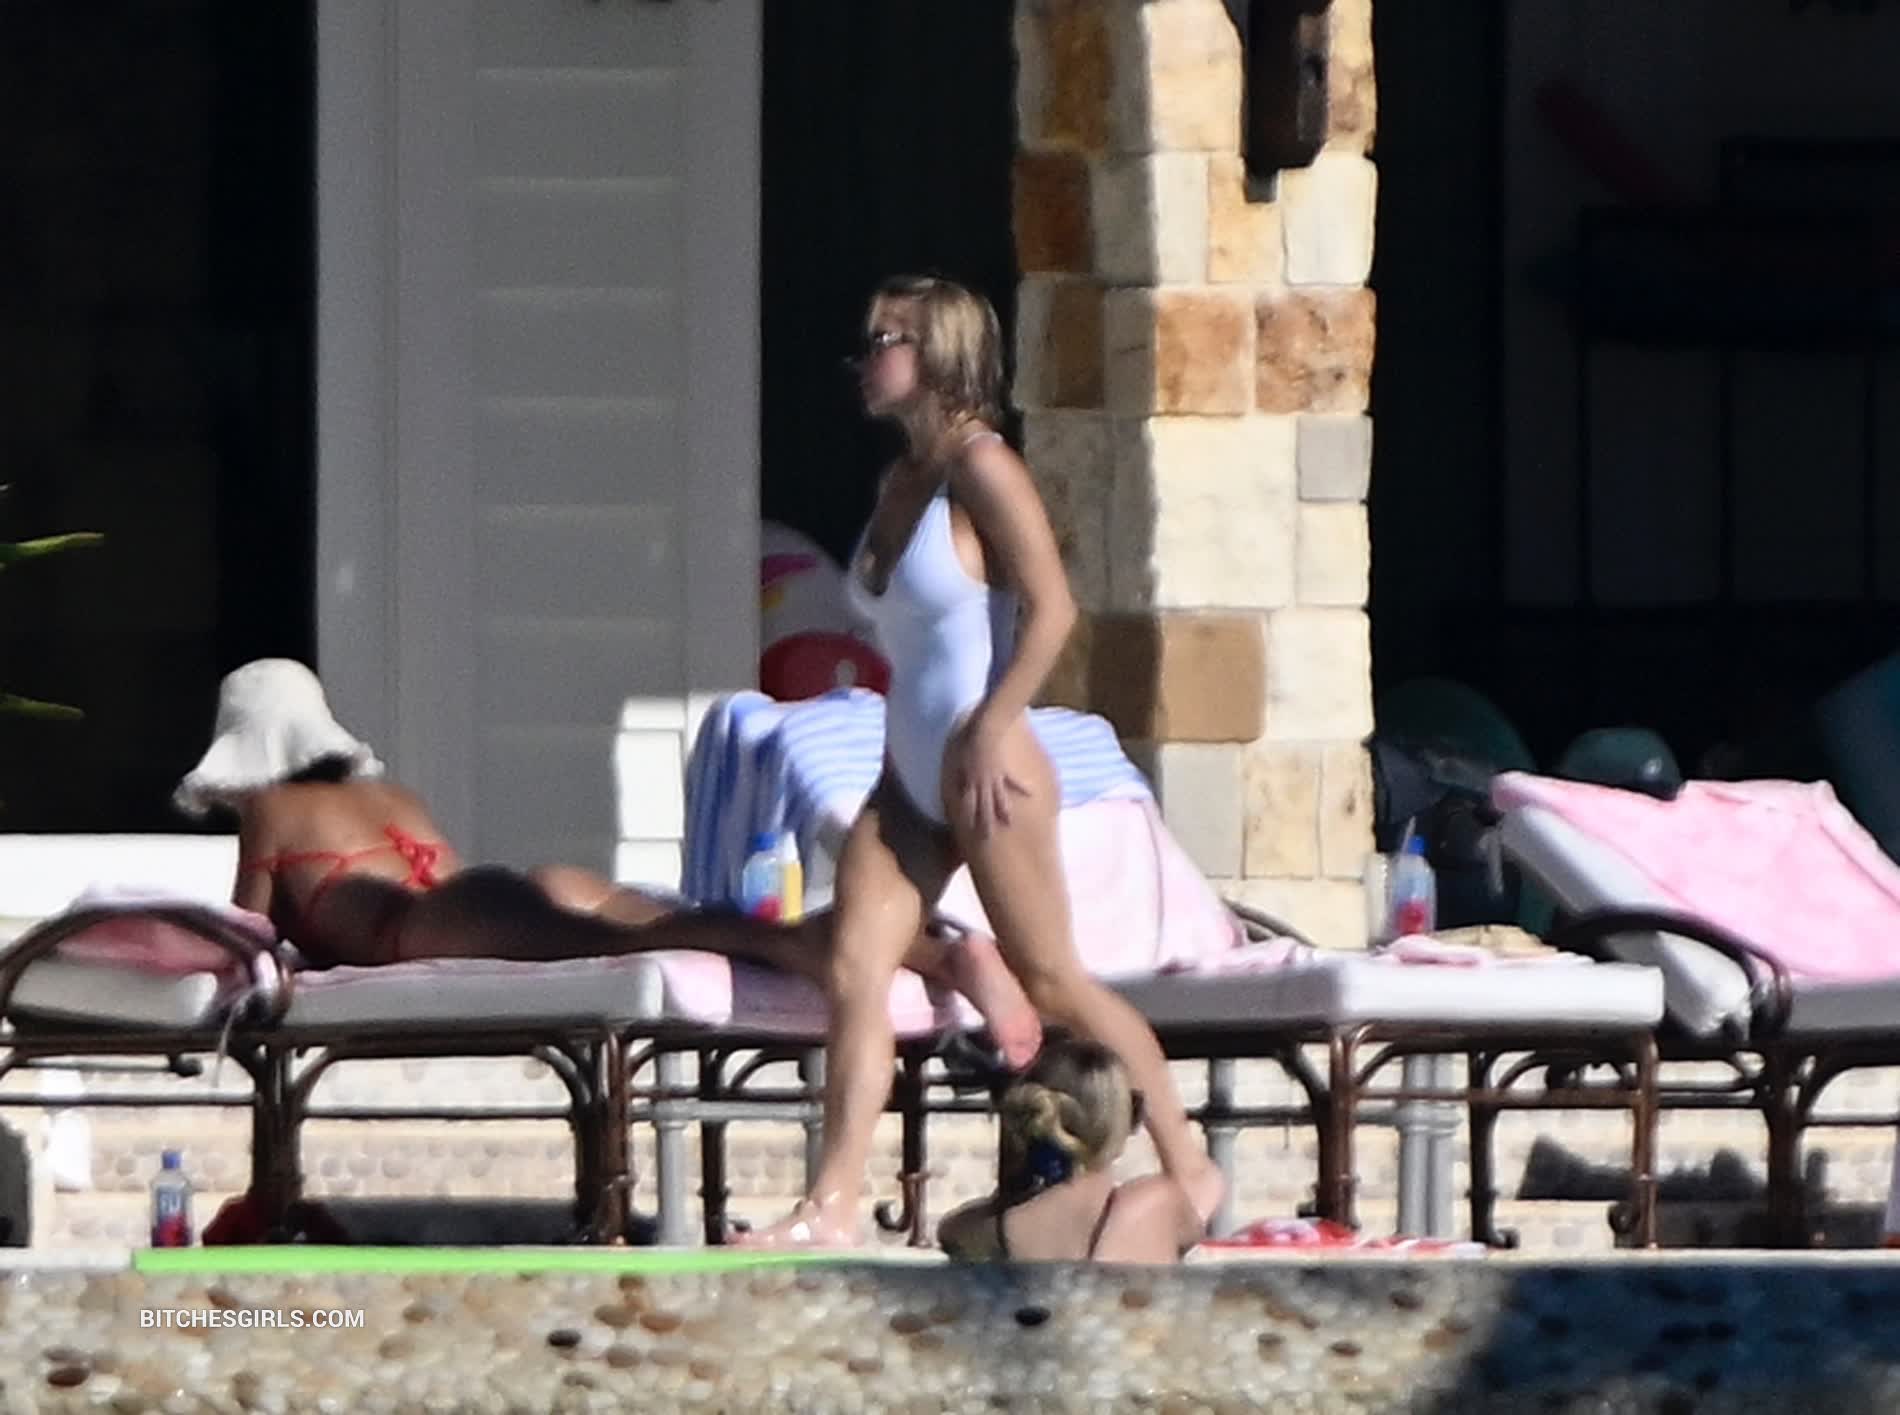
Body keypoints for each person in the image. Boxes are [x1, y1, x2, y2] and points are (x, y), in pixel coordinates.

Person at [739, 275, 1222, 1248]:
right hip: (908, 778)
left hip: (988, 767)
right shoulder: (901, 479)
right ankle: (832, 1204)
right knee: (855, 964)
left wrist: (996, 725)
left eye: (886, 339)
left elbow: (1053, 609)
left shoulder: (984, 468)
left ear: (941, 355)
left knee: (1054, 981)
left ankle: (1191, 1166)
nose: (864, 356)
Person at [172, 658, 1036, 1035]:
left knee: (691, 932)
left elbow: (246, 934)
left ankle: (912, 954)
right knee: (695, 919)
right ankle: (934, 950)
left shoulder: (272, 807)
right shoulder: (386, 793)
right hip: (498, 893)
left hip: (439, 925)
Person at [937, 1035, 1203, 1264]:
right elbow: (1192, 1230)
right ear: (1124, 1122)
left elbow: (948, 1232)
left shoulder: (984, 1230)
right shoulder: (1157, 1203)